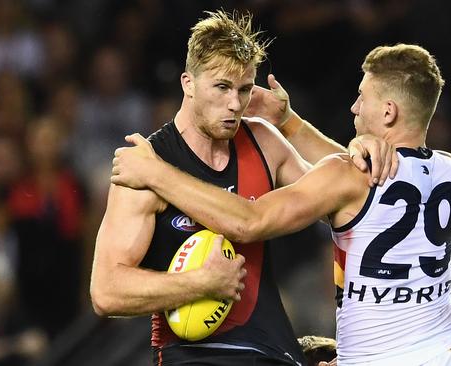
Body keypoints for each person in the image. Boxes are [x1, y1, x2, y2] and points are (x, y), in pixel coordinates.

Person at [111, 44, 451, 365]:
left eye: (362, 98)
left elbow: (250, 221)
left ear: (388, 112)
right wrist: (287, 121)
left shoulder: (346, 176)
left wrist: (155, 172)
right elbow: (373, 191)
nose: (354, 108)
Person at [90, 10, 395, 366]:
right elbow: (106, 291)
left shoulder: (263, 141)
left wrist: (349, 149)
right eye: (222, 87)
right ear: (188, 83)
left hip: (274, 352)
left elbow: (346, 204)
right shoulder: (145, 165)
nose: (235, 104)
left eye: (245, 89)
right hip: (194, 357)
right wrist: (199, 284)